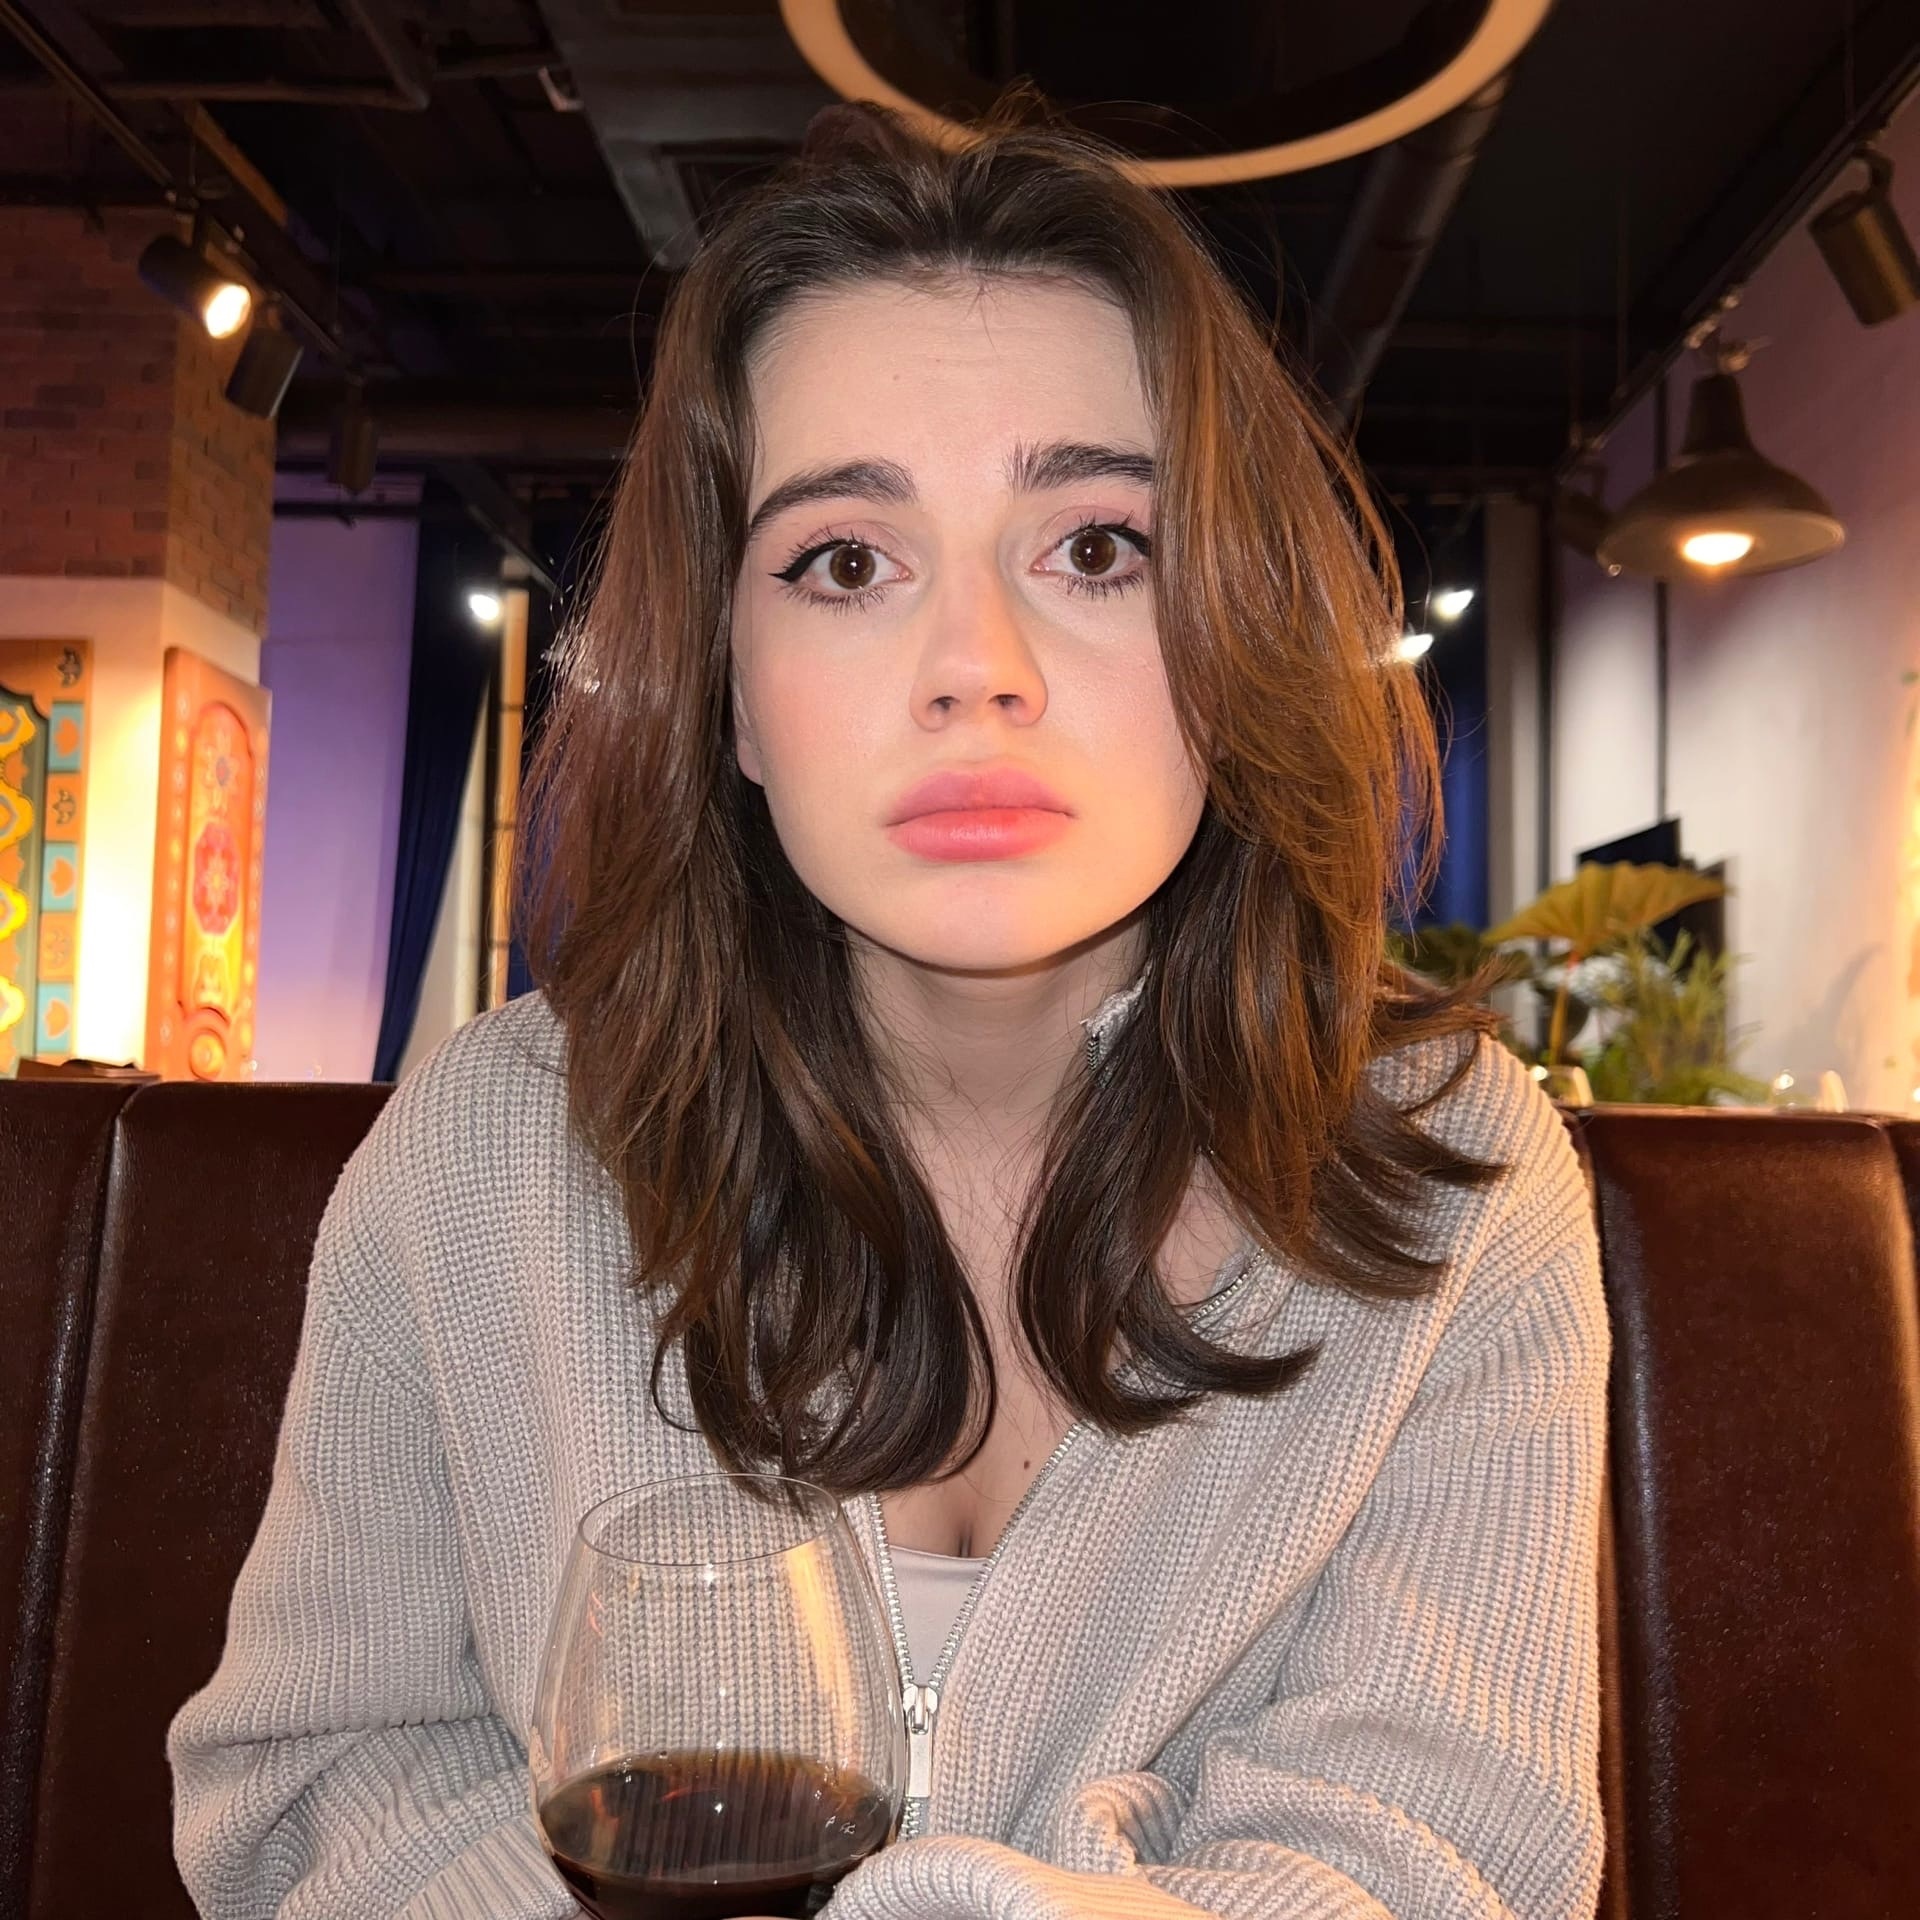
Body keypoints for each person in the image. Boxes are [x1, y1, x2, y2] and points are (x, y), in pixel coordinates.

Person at [167, 94, 1610, 1920]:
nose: (975, 671)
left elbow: (1448, 1862)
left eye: (1098, 547)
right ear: (734, 696)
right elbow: (310, 1804)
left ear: (1232, 636)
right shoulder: (485, 1153)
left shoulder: (1454, 1183)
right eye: (846, 562)